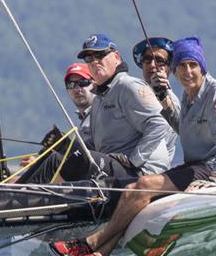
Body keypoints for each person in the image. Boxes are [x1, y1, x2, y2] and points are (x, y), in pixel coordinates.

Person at [51, 36, 216, 256]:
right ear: (174, 70)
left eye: (192, 65)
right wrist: (164, 99)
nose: (187, 71)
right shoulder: (188, 96)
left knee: (142, 185)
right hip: (196, 167)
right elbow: (180, 128)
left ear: (202, 66)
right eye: (182, 66)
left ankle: (90, 243)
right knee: (135, 191)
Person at [19, 33, 174, 184]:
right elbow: (91, 145)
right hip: (116, 166)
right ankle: (12, 193)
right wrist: (63, 146)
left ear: (116, 57)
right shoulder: (100, 98)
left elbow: (160, 123)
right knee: (59, 154)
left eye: (100, 55)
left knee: (56, 160)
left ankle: (15, 198)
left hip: (142, 170)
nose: (94, 62)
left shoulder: (128, 87)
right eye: (89, 58)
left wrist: (134, 161)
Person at [132, 36, 180, 160]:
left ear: (169, 67)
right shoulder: (131, 92)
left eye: (159, 60)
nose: (152, 65)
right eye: (147, 59)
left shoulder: (172, 101)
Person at [64, 62, 96, 147]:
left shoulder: (103, 112)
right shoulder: (84, 119)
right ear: (67, 90)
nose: (77, 89)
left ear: (94, 84)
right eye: (71, 85)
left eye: (83, 83)